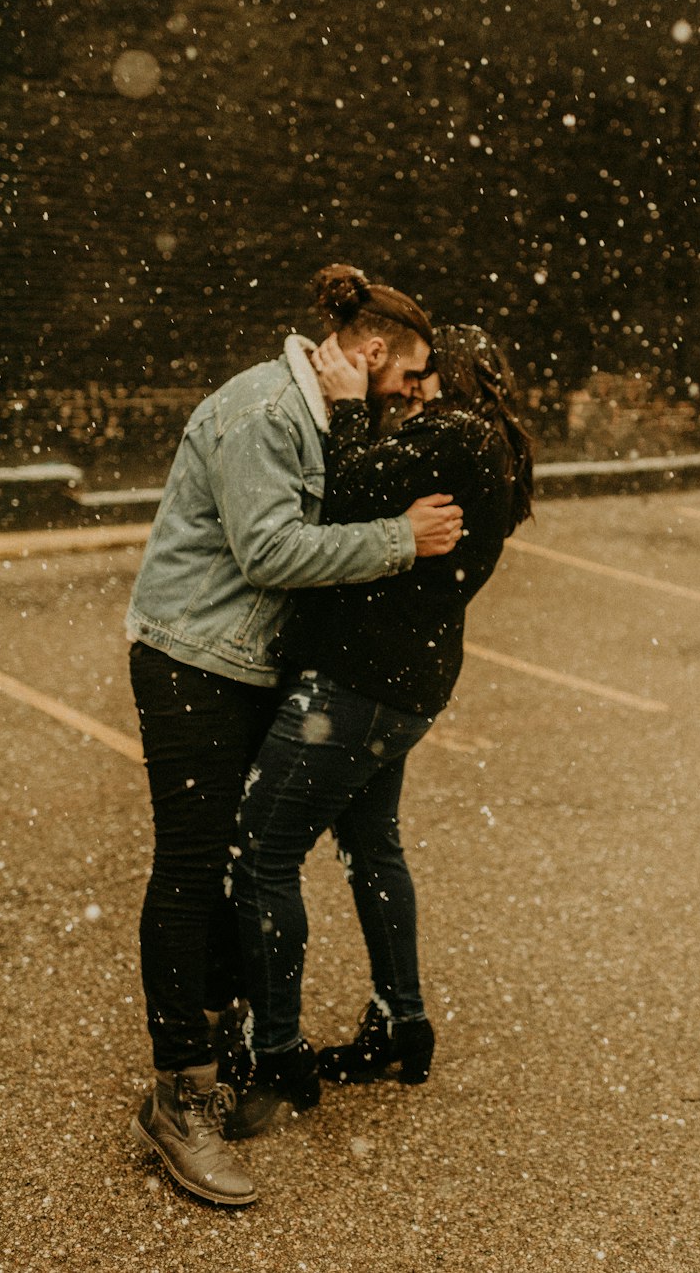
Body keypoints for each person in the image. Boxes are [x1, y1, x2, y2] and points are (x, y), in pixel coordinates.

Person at [126, 266, 464, 1207]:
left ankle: (224, 1046)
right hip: (192, 659)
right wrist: (401, 538)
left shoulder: (322, 412)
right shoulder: (266, 411)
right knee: (192, 868)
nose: (414, 398)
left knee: (238, 863)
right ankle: (175, 1096)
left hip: (246, 664)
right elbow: (270, 549)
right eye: (409, 378)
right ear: (370, 355)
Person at [225, 324, 534, 1139]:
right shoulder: (491, 446)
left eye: (425, 373)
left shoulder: (455, 434)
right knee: (371, 844)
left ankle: (276, 1052)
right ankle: (404, 1023)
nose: (411, 386)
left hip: (360, 685)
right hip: (408, 683)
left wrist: (353, 409)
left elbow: (342, 491)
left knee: (261, 854)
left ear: (452, 377)